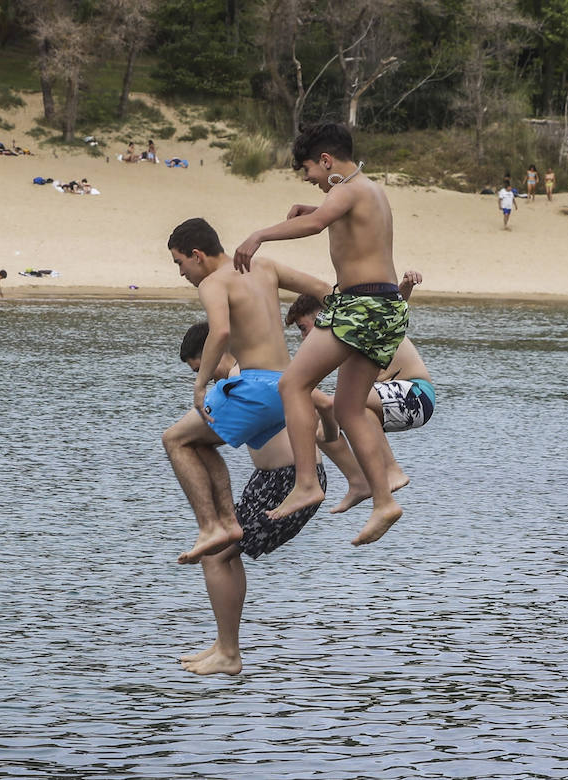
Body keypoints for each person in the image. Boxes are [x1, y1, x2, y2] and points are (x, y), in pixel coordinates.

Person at [230, 122, 406, 545]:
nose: (309, 180)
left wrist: (260, 235)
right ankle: (380, 496)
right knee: (347, 409)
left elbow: (319, 224)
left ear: (327, 161)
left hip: (360, 307)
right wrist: (313, 210)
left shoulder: (344, 190)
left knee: (292, 384)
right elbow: (343, 224)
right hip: (385, 307)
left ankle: (306, 483)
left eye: (308, 170)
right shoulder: (369, 190)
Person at [165, 217, 333, 564]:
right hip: (285, 388)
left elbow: (221, 332)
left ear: (197, 254)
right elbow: (324, 289)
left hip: (256, 386)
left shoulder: (212, 283)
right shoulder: (265, 265)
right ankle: (227, 521)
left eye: (180, 263)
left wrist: (200, 386)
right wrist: (325, 343)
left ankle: (213, 525)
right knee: (197, 442)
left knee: (174, 440)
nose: (182, 272)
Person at [176, 321, 327, 676]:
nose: (208, 379)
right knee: (223, 553)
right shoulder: (250, 377)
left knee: (216, 554)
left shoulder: (245, 377)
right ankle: (224, 644)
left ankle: (229, 651)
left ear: (213, 352)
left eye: (203, 369)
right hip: (270, 480)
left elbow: (317, 400)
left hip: (286, 482)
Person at [283, 270, 432, 514]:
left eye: (303, 327)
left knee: (349, 404)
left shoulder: (359, 327)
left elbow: (392, 307)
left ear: (322, 315)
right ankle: (358, 482)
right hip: (391, 401)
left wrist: (405, 286)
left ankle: (392, 469)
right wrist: (327, 434)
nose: (303, 337)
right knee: (322, 428)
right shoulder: (343, 342)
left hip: (416, 395)